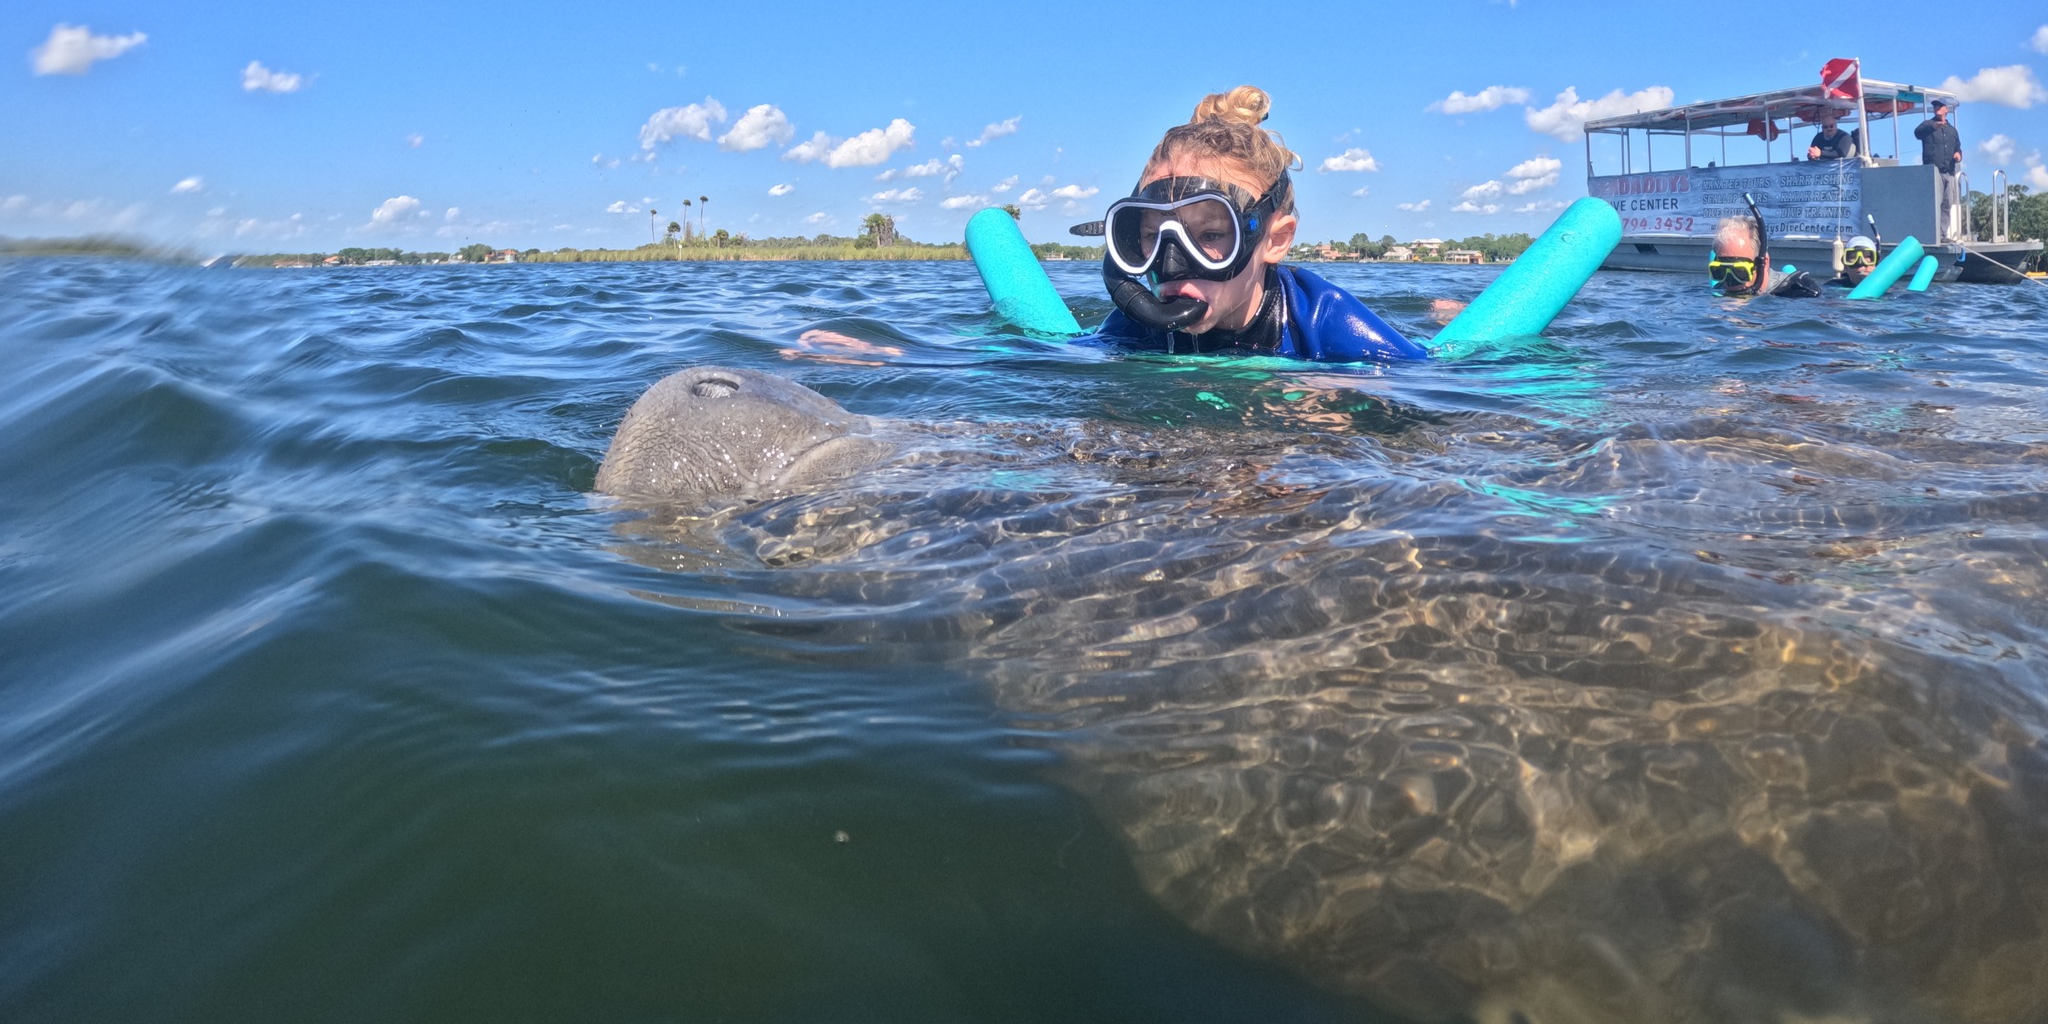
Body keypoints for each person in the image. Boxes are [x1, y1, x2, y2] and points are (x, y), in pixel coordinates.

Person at [1094, 86, 1427, 362]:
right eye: (1152, 235)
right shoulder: (1138, 324)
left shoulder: (1324, 321)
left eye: (1210, 234)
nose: (1170, 264)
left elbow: (1425, 400)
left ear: (1275, 240)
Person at [1709, 214, 1820, 298]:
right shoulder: (1718, 290)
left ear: (1764, 263)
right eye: (1720, 272)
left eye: (1740, 272)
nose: (1729, 282)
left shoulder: (1799, 293)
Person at [1914, 100, 1962, 241]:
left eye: (1939, 106)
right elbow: (1917, 133)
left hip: (1949, 171)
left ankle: (1942, 234)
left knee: (1947, 202)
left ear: (1946, 109)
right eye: (1934, 106)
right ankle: (1932, 233)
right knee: (1935, 202)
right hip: (1934, 172)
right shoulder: (1927, 125)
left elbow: (1958, 147)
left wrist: (1958, 154)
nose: (1936, 108)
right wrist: (1932, 127)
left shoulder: (1952, 130)